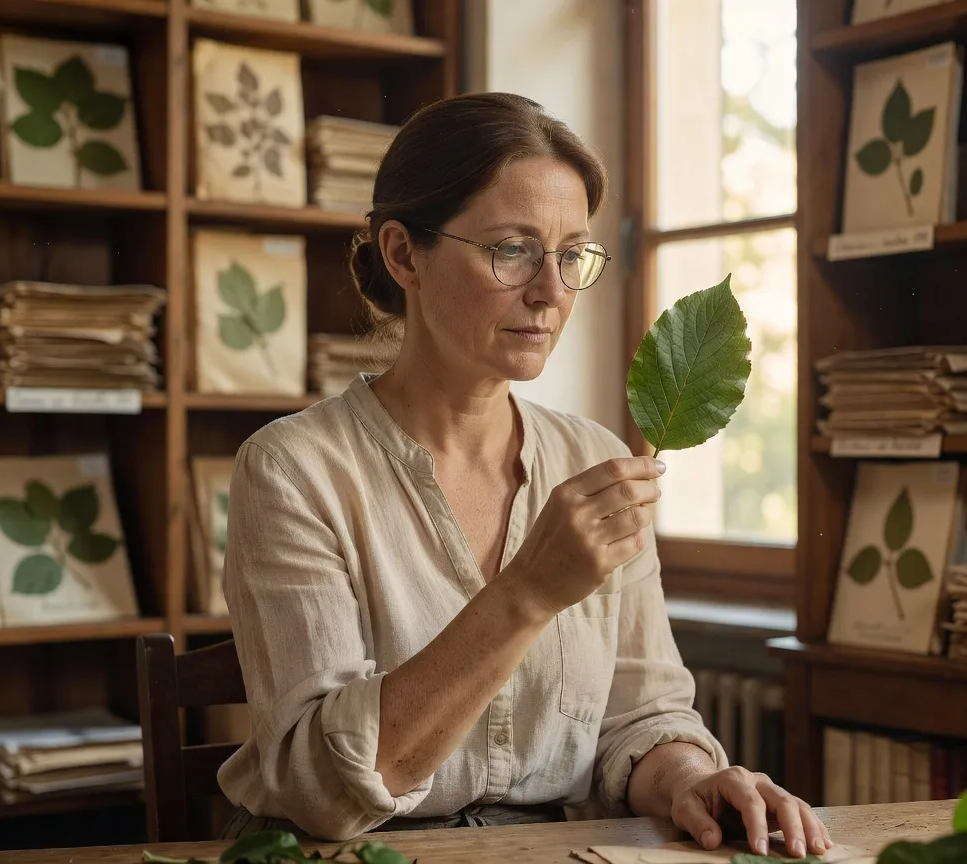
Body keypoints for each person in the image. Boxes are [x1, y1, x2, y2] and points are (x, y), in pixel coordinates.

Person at [216, 92, 829, 859]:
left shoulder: (593, 460)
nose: (551, 289)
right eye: (513, 249)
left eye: (572, 254)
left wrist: (686, 780)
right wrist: (529, 592)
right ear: (404, 254)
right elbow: (323, 788)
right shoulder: (293, 469)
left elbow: (640, 718)